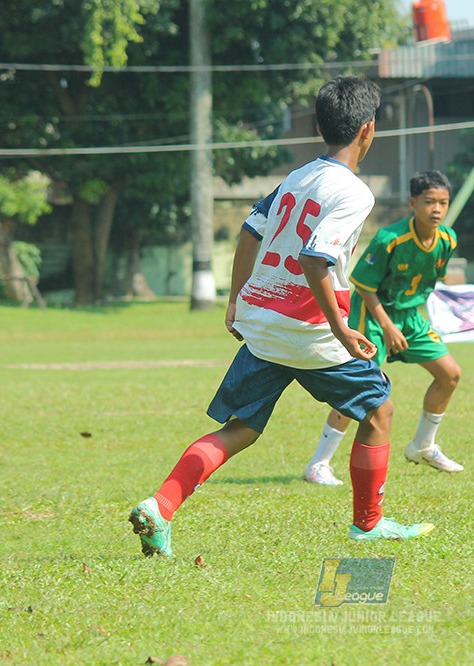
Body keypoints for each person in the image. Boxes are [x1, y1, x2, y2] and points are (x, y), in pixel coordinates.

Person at [128, 76, 434, 557]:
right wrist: (342, 329)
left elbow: (250, 231)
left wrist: (235, 300)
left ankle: (160, 506)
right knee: (380, 411)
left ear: (319, 127)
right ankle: (368, 525)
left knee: (240, 429)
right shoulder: (355, 192)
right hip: (313, 333)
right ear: (368, 129)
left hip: (264, 324)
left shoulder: (297, 177)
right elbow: (315, 259)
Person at [303, 170, 464, 486]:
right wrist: (387, 327)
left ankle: (422, 446)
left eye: (443, 203)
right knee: (360, 388)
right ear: (413, 203)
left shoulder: (448, 239)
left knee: (450, 374)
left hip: (409, 317)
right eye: (429, 202)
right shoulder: (389, 239)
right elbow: (364, 286)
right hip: (373, 316)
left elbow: (430, 279)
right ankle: (318, 464)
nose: (436, 209)